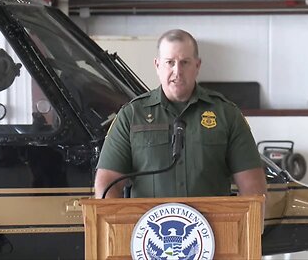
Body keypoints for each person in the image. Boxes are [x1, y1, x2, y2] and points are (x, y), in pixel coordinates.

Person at [94, 29, 266, 200]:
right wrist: (116, 226)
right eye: (170, 62)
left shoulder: (227, 114)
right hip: (148, 226)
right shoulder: (131, 115)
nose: (177, 71)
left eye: (185, 62)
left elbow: (253, 187)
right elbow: (107, 182)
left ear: (197, 66)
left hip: (212, 226)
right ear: (157, 65)